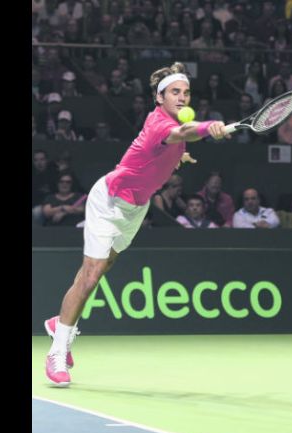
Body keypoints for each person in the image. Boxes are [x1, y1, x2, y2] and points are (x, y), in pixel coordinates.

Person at [43, 62, 231, 387]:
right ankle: (58, 351)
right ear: (160, 98)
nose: (182, 97)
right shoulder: (160, 122)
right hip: (110, 199)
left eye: (186, 92)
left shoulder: (172, 127)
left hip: (136, 209)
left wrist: (179, 157)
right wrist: (209, 127)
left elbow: (169, 148)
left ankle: (60, 322)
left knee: (97, 273)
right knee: (90, 276)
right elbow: (183, 132)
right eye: (175, 92)